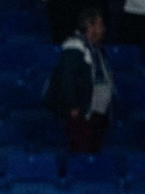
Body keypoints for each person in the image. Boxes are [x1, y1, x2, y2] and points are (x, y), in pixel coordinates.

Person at [45, 9, 115, 154]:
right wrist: (73, 106)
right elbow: (67, 78)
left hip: (96, 111)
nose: (103, 29)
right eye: (100, 25)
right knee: (82, 150)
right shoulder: (74, 48)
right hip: (82, 113)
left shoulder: (97, 50)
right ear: (90, 26)